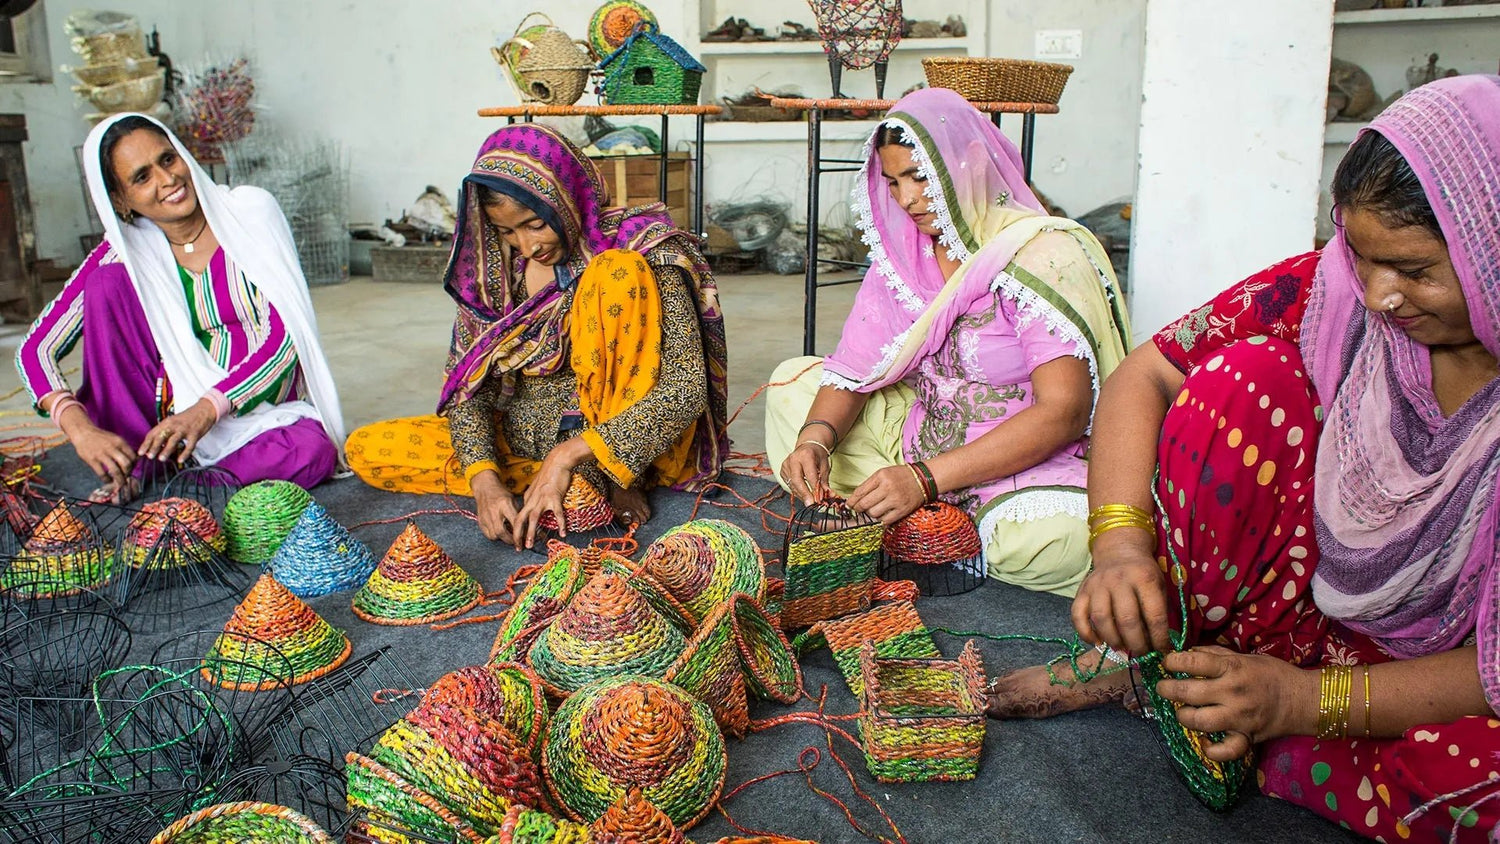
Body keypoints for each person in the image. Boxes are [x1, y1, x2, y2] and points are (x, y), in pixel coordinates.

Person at [987, 76, 1500, 840]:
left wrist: (1302, 702)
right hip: (1296, 613)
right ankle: (1193, 669)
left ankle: (1249, 717)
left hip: (1448, 676)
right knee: (1241, 383)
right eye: (1362, 255)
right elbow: (1146, 374)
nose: (1378, 295)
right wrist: (1120, 547)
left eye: (1417, 270)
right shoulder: (1329, 289)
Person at [767, 87, 1130, 597]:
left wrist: (925, 481)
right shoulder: (906, 254)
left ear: (973, 163)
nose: (906, 199)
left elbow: (1065, 412)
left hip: (1022, 460)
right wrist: (814, 442)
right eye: (893, 182)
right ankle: (920, 522)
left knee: (1050, 542)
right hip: (920, 438)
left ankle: (911, 517)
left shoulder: (1042, 255)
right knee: (791, 387)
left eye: (919, 176)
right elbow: (855, 368)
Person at [346, 124, 728, 549]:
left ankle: (611, 476)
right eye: (507, 232)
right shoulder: (497, 275)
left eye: (535, 224)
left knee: (617, 273)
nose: (527, 246)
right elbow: (469, 391)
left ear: (565, 198)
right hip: (523, 445)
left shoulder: (643, 250)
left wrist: (568, 454)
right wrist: (485, 481)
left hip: (623, 443)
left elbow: (684, 389)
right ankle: (557, 482)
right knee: (366, 448)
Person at [15, 113, 344, 503]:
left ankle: (179, 476)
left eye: (168, 159)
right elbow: (34, 351)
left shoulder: (250, 214)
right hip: (168, 419)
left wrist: (207, 409)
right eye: (142, 177)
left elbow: (287, 339)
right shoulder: (126, 249)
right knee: (106, 285)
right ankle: (147, 462)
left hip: (259, 414)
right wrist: (79, 428)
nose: (167, 179)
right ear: (120, 200)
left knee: (311, 451)